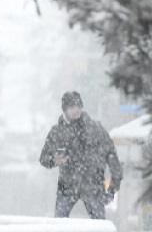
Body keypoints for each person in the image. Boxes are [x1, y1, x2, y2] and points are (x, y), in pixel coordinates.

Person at [39, 91, 122, 219]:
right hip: (69, 186)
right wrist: (54, 160)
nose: (76, 110)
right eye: (72, 107)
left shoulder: (95, 129)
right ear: (65, 109)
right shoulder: (57, 131)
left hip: (92, 186)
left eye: (78, 106)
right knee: (60, 226)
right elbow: (44, 158)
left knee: (99, 227)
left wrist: (112, 189)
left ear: (82, 107)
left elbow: (112, 156)